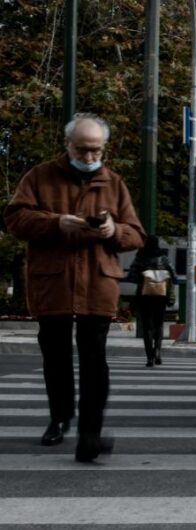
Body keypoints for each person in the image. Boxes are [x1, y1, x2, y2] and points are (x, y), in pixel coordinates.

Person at [4, 113, 145, 462]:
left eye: (96, 151)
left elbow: (137, 233)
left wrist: (114, 232)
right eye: (82, 150)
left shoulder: (114, 183)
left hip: (98, 283)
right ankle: (60, 416)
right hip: (53, 283)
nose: (89, 158)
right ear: (68, 145)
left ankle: (90, 434)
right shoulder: (39, 177)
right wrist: (56, 223)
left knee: (94, 360)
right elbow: (13, 218)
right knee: (56, 357)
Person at [127, 235, 176, 367]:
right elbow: (173, 275)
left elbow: (131, 276)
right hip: (161, 296)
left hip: (144, 296)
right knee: (159, 325)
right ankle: (158, 352)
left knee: (147, 327)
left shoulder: (140, 257)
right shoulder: (163, 257)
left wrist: (144, 277)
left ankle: (149, 358)